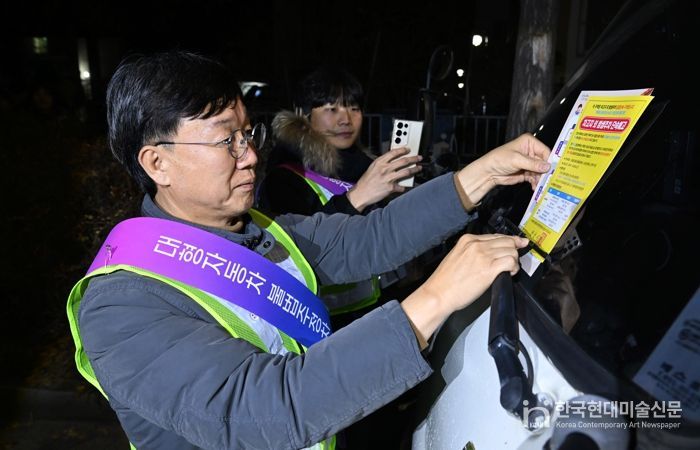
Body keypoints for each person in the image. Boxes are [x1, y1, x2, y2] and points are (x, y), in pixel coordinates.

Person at [67, 50, 551, 450]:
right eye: (226, 141)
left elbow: (373, 237)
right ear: (158, 163)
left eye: (247, 134)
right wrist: (437, 297)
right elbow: (270, 410)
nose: (250, 156)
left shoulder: (258, 232)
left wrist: (482, 174)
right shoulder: (122, 305)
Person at [256, 66, 420, 217]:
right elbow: (298, 237)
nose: (346, 120)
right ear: (304, 115)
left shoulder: (369, 167)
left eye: (354, 109)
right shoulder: (283, 178)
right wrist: (358, 197)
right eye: (332, 109)